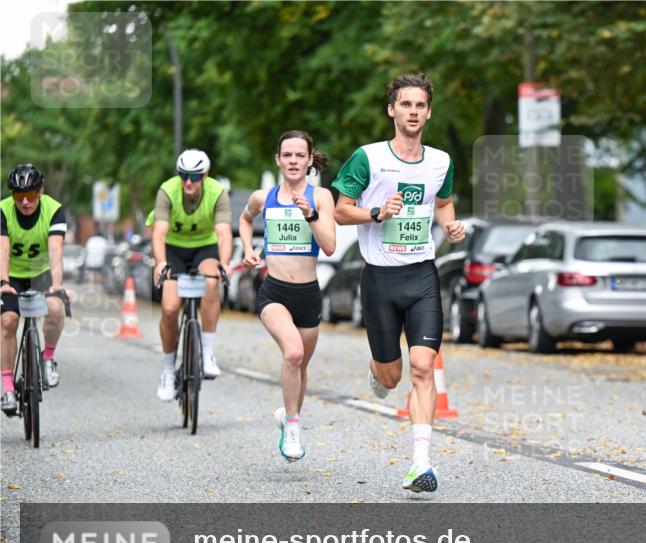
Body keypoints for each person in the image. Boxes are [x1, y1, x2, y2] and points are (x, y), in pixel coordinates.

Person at [332, 72, 465, 493]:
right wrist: (375, 213)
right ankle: (377, 371)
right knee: (391, 377)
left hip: (422, 274)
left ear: (428, 112)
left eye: (420, 105)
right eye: (405, 104)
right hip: (380, 279)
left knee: (423, 366)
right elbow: (339, 211)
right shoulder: (368, 158)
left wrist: (451, 225)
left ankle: (420, 464)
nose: (413, 112)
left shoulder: (441, 161)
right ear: (392, 109)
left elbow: (442, 203)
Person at [240, 131, 336, 461]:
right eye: (287, 155)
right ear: (278, 160)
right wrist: (247, 247)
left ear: (310, 160)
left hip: (308, 293)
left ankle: (287, 415)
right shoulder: (262, 196)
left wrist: (310, 213)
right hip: (274, 291)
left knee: (302, 366)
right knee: (293, 353)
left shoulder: (321, 197)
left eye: (300, 155)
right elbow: (245, 217)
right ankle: (294, 426)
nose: (293, 161)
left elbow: (330, 246)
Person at [152, 149, 233, 401]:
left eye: (195, 177)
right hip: (173, 249)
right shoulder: (167, 191)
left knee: (211, 282)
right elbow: (159, 233)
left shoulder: (217, 192)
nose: (188, 182)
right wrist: (161, 262)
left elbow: (223, 234)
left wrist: (226, 263)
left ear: (205, 176)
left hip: (204, 247)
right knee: (169, 308)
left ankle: (207, 352)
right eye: (184, 175)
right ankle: (167, 371)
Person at [0, 164, 69, 414]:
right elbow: (2, 249)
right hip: (13, 275)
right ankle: (7, 385)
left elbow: (56, 250)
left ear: (41, 191)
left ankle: (47, 358)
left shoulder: (54, 210)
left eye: (31, 194)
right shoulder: (3, 210)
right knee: (8, 321)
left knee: (55, 307)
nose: (26, 201)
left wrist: (57, 284)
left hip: (41, 273)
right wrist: (4, 282)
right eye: (19, 196)